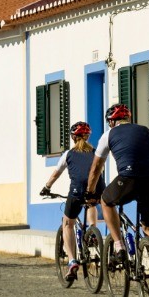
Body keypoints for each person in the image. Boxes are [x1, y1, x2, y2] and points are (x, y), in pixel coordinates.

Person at [88, 103, 149, 257]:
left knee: (106, 201)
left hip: (129, 179)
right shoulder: (146, 131)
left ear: (111, 122)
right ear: (128, 118)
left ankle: (119, 245)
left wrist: (90, 191)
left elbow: (96, 168)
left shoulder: (108, 135)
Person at [39, 120, 99, 285]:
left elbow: (56, 173)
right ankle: (93, 231)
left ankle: (72, 261)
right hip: (96, 189)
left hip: (76, 192)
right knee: (92, 203)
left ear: (73, 137)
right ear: (87, 137)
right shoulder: (95, 152)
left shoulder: (68, 154)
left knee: (68, 224)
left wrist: (46, 187)